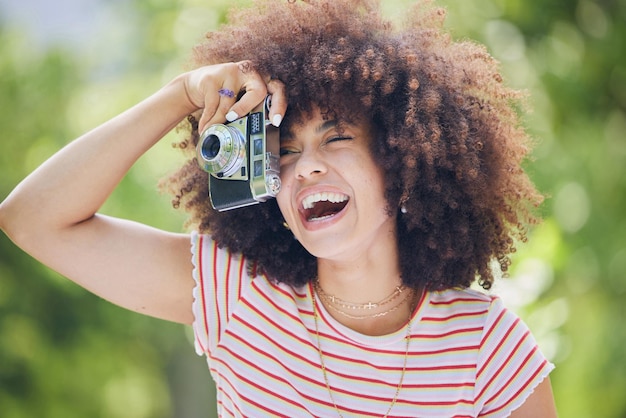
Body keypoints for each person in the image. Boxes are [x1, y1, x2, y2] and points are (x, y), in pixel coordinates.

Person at [0, 0, 558, 416]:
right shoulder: (237, 291)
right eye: (284, 151)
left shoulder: (487, 345)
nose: (305, 167)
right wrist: (181, 95)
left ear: (401, 160)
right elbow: (32, 219)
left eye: (336, 138)